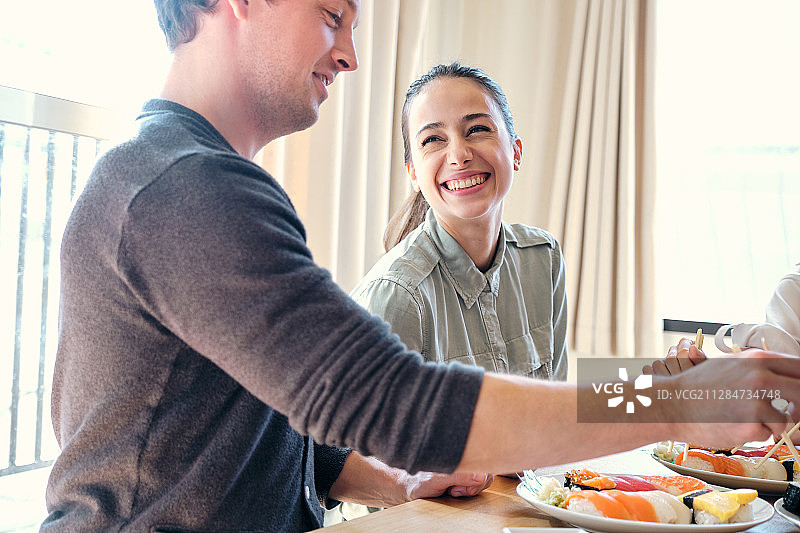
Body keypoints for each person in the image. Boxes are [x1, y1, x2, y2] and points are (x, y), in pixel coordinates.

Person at [44, 1, 800, 532]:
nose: (348, 53)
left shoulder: (207, 183)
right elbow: (396, 401)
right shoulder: (185, 186)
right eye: (333, 15)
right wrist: (677, 403)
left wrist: (396, 477)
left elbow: (283, 436)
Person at [352, 63, 567, 382]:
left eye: (477, 130)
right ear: (413, 173)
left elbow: (560, 415)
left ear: (516, 151)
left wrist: (662, 393)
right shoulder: (394, 299)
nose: (459, 155)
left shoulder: (543, 257)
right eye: (432, 140)